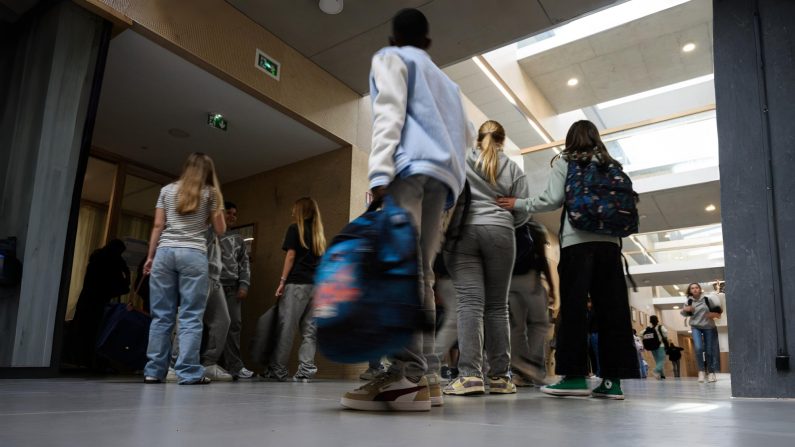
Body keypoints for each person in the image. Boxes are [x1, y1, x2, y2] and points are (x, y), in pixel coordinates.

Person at [340, 8, 474, 412]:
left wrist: (379, 173)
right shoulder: (448, 83)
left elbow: (389, 114)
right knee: (421, 271)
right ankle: (427, 375)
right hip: (445, 179)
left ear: (393, 37)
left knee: (402, 268)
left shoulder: (390, 58)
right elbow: (466, 135)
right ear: (428, 43)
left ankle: (405, 376)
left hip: (410, 170)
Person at [498, 120, 640, 400]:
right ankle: (613, 382)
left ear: (571, 139)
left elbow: (551, 199)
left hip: (578, 245)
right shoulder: (612, 165)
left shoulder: (568, 161)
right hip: (610, 246)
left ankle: (574, 377)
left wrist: (519, 203)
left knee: (574, 309)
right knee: (613, 312)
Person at [442, 120, 529, 397]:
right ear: (503, 140)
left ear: (478, 137)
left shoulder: (462, 159)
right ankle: (501, 378)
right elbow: (524, 211)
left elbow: (446, 193)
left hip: (464, 231)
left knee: (470, 303)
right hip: (502, 232)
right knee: (497, 307)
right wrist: (500, 220)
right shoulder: (514, 168)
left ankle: (469, 376)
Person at [142, 152, 226, 385]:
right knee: (191, 315)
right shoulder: (210, 193)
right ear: (208, 172)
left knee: (161, 316)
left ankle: (153, 371)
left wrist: (150, 256)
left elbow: (158, 225)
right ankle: (188, 372)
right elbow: (220, 229)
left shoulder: (166, 191)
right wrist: (213, 210)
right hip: (193, 254)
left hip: (165, 253)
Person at [263, 197, 326, 383]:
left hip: (297, 283)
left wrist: (282, 281)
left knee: (287, 328)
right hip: (315, 286)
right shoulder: (318, 234)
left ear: (300, 211)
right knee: (310, 330)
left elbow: (290, 256)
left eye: (294, 209)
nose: (292, 212)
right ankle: (306, 370)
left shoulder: (294, 228)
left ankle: (278, 370)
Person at [70, 239, 130, 369]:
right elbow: (122, 286)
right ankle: (90, 360)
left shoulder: (96, 259)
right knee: (95, 332)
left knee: (82, 329)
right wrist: (125, 271)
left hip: (86, 299)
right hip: (100, 302)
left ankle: (78, 358)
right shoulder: (113, 263)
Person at [508, 221, 552, 387]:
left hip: (510, 281)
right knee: (540, 323)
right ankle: (532, 364)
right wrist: (553, 287)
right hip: (530, 279)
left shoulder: (507, 226)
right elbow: (542, 257)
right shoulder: (534, 227)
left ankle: (519, 372)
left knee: (517, 327)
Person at [219, 201, 253, 379]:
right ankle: (204, 364)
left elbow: (244, 264)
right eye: (228, 213)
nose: (232, 217)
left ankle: (235, 366)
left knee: (234, 325)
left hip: (232, 288)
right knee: (210, 326)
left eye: (235, 214)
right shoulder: (211, 235)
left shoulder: (239, 239)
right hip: (213, 287)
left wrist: (244, 285)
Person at [200, 227, 233, 381]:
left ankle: (209, 364)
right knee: (191, 318)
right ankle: (175, 364)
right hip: (201, 274)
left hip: (215, 277)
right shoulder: (206, 224)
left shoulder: (217, 233)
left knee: (223, 320)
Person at [681, 282, 722, 382]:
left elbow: (719, 312)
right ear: (690, 291)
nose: (694, 289)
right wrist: (685, 310)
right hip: (696, 327)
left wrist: (713, 314)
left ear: (700, 289)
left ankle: (711, 373)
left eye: (696, 288)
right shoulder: (689, 301)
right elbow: (684, 313)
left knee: (709, 350)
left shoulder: (707, 299)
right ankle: (701, 371)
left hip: (709, 327)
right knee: (699, 348)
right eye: (692, 288)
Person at [646, 315, 668, 380]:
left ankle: (662, 375)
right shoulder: (660, 327)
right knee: (661, 360)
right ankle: (656, 370)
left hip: (652, 347)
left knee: (658, 361)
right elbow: (666, 334)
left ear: (650, 321)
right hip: (660, 346)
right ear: (657, 320)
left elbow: (641, 333)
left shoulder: (648, 328)